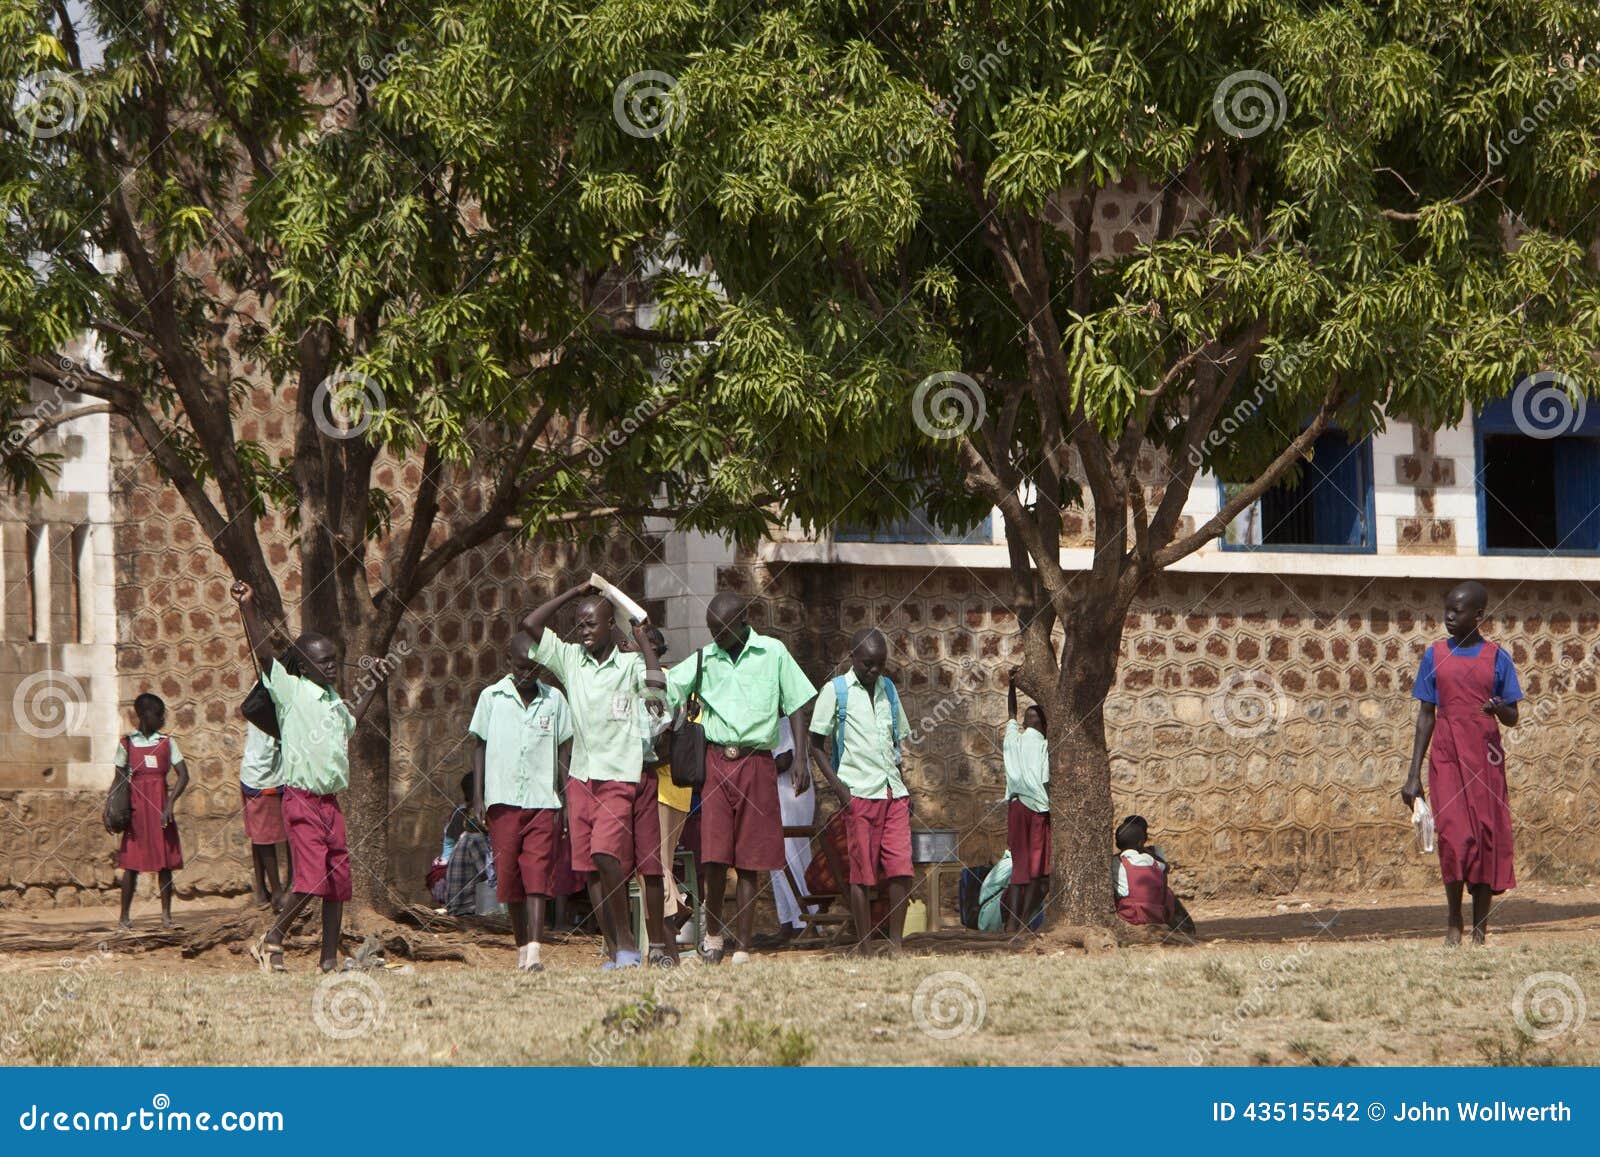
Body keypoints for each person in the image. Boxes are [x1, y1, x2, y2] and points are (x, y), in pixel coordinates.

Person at [233, 581, 383, 973]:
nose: (332, 665)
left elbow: (351, 724)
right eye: (323, 661)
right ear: (302, 665)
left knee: (337, 884)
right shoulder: (291, 691)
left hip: (330, 803)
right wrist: (249, 606)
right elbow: (265, 657)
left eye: (335, 659)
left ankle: (328, 959)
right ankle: (272, 938)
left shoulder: (333, 702)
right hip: (300, 799)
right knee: (312, 880)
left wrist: (374, 686)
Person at [519, 578, 664, 970]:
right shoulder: (569, 660)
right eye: (579, 625)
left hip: (619, 774)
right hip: (582, 777)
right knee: (590, 870)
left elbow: (656, 687)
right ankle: (616, 949)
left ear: (609, 626)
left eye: (591, 624)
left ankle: (630, 941)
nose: (583, 632)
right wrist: (575, 592)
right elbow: (530, 624)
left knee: (606, 853)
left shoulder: (629, 663)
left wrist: (643, 640)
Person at [665, 591, 816, 965]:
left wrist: (801, 758)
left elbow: (796, 703)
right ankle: (714, 937)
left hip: (757, 763)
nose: (715, 635)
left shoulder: (772, 652)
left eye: (721, 629)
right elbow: (668, 687)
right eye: (711, 628)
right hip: (716, 762)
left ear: (742, 621)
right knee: (715, 858)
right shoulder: (705, 658)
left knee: (750, 859)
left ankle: (744, 946)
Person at [1402, 580, 1521, 945]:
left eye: (1458, 610)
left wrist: (1497, 707)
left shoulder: (1498, 658)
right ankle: (1454, 920)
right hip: (1447, 758)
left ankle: (1480, 930)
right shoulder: (1434, 655)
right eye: (1447, 609)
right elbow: (1426, 715)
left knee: (1485, 837)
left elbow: (1513, 715)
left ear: (1479, 615)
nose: (1449, 616)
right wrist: (1413, 775)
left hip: (1485, 760)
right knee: (1454, 838)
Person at [468, 632, 573, 972]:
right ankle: (520, 945)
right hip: (503, 799)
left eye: (534, 668)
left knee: (538, 875)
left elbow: (562, 751)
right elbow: (480, 746)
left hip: (543, 800)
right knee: (510, 876)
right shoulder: (491, 698)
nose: (528, 674)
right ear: (509, 664)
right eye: (522, 668)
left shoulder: (554, 699)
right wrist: (478, 797)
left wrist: (566, 796)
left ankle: (535, 951)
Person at [807, 628, 914, 954]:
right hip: (858, 795)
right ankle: (865, 945)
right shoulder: (836, 691)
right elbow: (816, 745)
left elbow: (898, 740)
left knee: (901, 869)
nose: (874, 670)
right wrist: (842, 793)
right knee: (862, 873)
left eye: (880, 664)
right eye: (868, 663)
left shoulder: (889, 691)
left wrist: (906, 784)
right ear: (853, 657)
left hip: (892, 792)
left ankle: (895, 944)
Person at [626, 626, 693, 964]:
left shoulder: (659, 681)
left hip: (662, 783)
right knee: (659, 863)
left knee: (655, 864)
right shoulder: (665, 678)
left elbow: (660, 730)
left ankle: (671, 925)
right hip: (678, 785)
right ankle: (675, 912)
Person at [114, 692, 189, 930]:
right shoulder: (127, 743)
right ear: (145, 716)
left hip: (160, 810)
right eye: (159, 715)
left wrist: (169, 805)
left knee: (164, 863)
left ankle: (166, 916)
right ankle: (124, 917)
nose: (163, 719)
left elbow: (184, 776)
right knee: (131, 865)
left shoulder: (167, 743)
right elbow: (118, 780)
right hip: (136, 812)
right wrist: (114, 809)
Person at [1002, 669, 1049, 933]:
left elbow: (1010, 713)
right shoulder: (1043, 746)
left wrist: (1011, 686)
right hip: (1038, 810)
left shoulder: (1012, 737)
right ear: (1043, 726)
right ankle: (1022, 923)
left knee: (1019, 868)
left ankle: (1010, 922)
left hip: (1016, 806)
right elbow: (1045, 780)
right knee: (1037, 871)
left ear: (1025, 722)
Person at [763, 717, 816, 946]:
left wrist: (755, 770)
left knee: (791, 856)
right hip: (778, 797)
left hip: (789, 795)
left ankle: (806, 922)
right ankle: (787, 922)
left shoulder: (783, 721)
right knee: (776, 860)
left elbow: (784, 760)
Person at [239, 718, 289, 912]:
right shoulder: (273, 698)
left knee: (259, 835)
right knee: (266, 837)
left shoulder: (258, 697)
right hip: (265, 777)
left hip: (254, 773)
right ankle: (277, 892)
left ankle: (261, 891)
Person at [1113, 815, 1194, 934]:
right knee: (1167, 893)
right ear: (1142, 840)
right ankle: (1184, 928)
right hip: (1157, 915)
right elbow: (1164, 867)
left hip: (1130, 916)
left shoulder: (1115, 863)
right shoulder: (1150, 859)